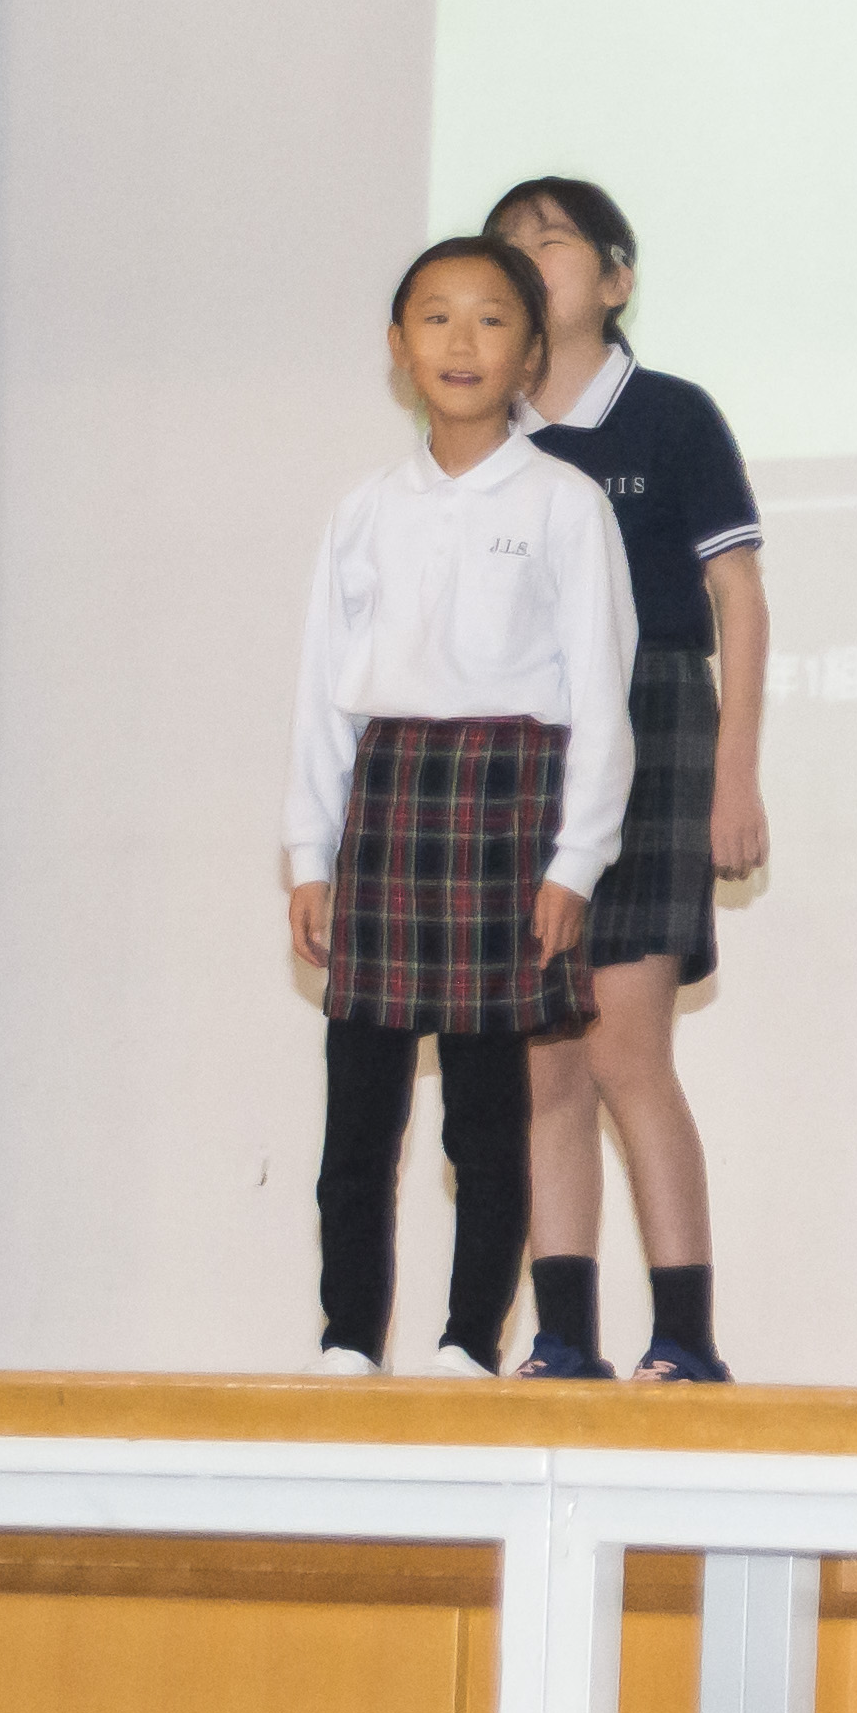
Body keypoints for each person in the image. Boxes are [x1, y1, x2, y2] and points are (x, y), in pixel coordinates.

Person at [285, 235, 635, 1376]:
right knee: (358, 1119)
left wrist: (575, 861)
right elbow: (323, 694)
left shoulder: (565, 502)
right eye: (435, 316)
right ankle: (348, 1339)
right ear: (398, 346)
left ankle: (468, 1342)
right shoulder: (364, 509)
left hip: (505, 808)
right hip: (389, 803)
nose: (461, 341)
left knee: (486, 1119)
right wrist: (308, 852)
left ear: (530, 353)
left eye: (491, 319)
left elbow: (602, 694)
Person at [484, 176, 770, 1385]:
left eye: (551, 241)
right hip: (525, 740)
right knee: (545, 1059)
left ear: (615, 277)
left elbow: (738, 599)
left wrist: (734, 775)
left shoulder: (671, 416)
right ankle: (561, 1336)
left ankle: (685, 1337)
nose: (527, 259)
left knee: (624, 1048)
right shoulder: (491, 438)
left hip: (651, 717)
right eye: (506, 245)